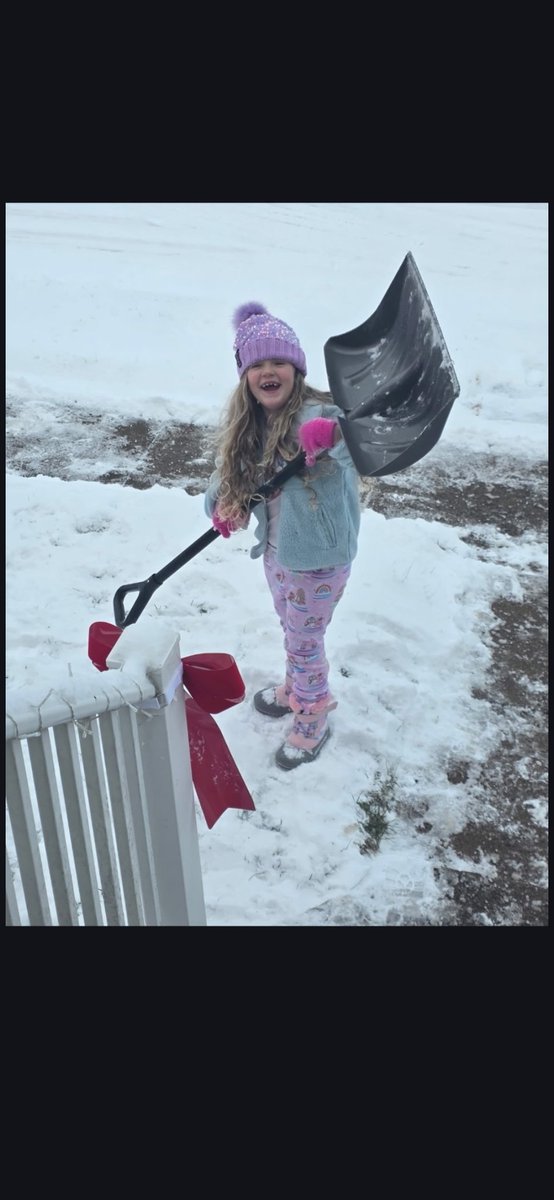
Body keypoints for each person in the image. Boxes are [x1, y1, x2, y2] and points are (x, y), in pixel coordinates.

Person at [204, 302, 361, 770]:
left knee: (305, 641)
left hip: (320, 558)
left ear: (296, 369)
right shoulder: (249, 425)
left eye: (278, 362)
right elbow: (226, 476)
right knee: (293, 630)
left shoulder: (321, 414)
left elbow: (364, 455)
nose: (268, 371)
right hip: (278, 553)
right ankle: (296, 687)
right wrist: (222, 504)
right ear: (244, 376)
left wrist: (334, 436)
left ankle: (312, 714)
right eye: (257, 365)